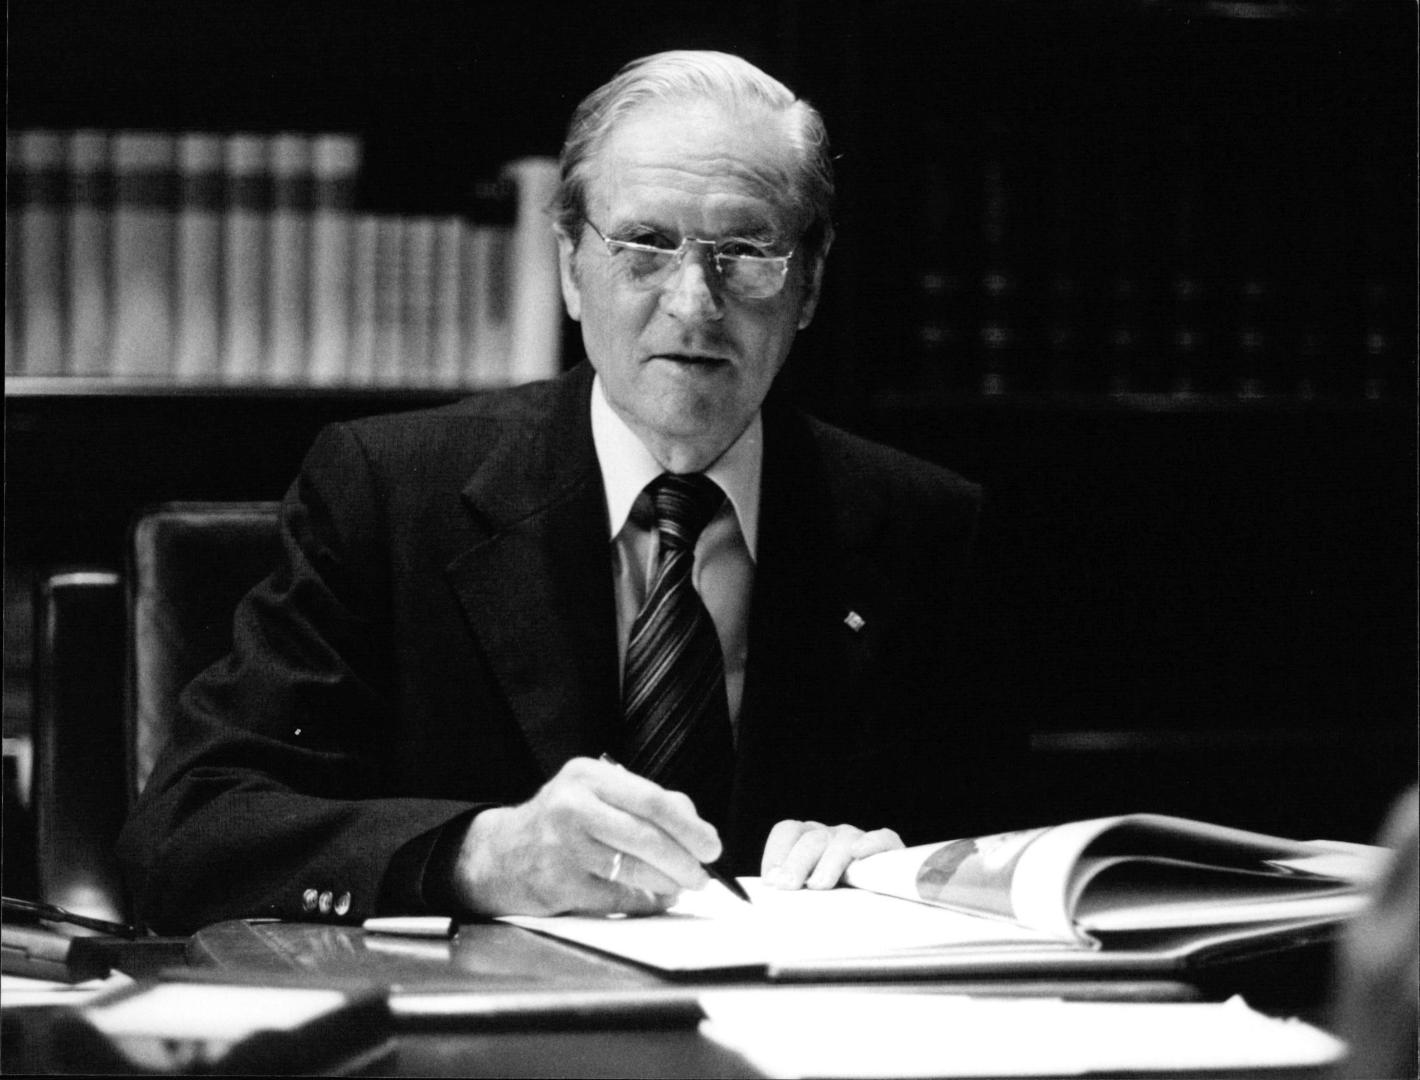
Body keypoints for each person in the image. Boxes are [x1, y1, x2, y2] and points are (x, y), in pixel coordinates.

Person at [119, 50, 1018, 934]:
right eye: (646, 246)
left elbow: (1019, 863)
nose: (693, 302)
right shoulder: (390, 492)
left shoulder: (926, 527)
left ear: (809, 283)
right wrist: (479, 856)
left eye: (746, 251)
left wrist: (910, 871)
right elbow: (186, 833)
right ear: (568, 269)